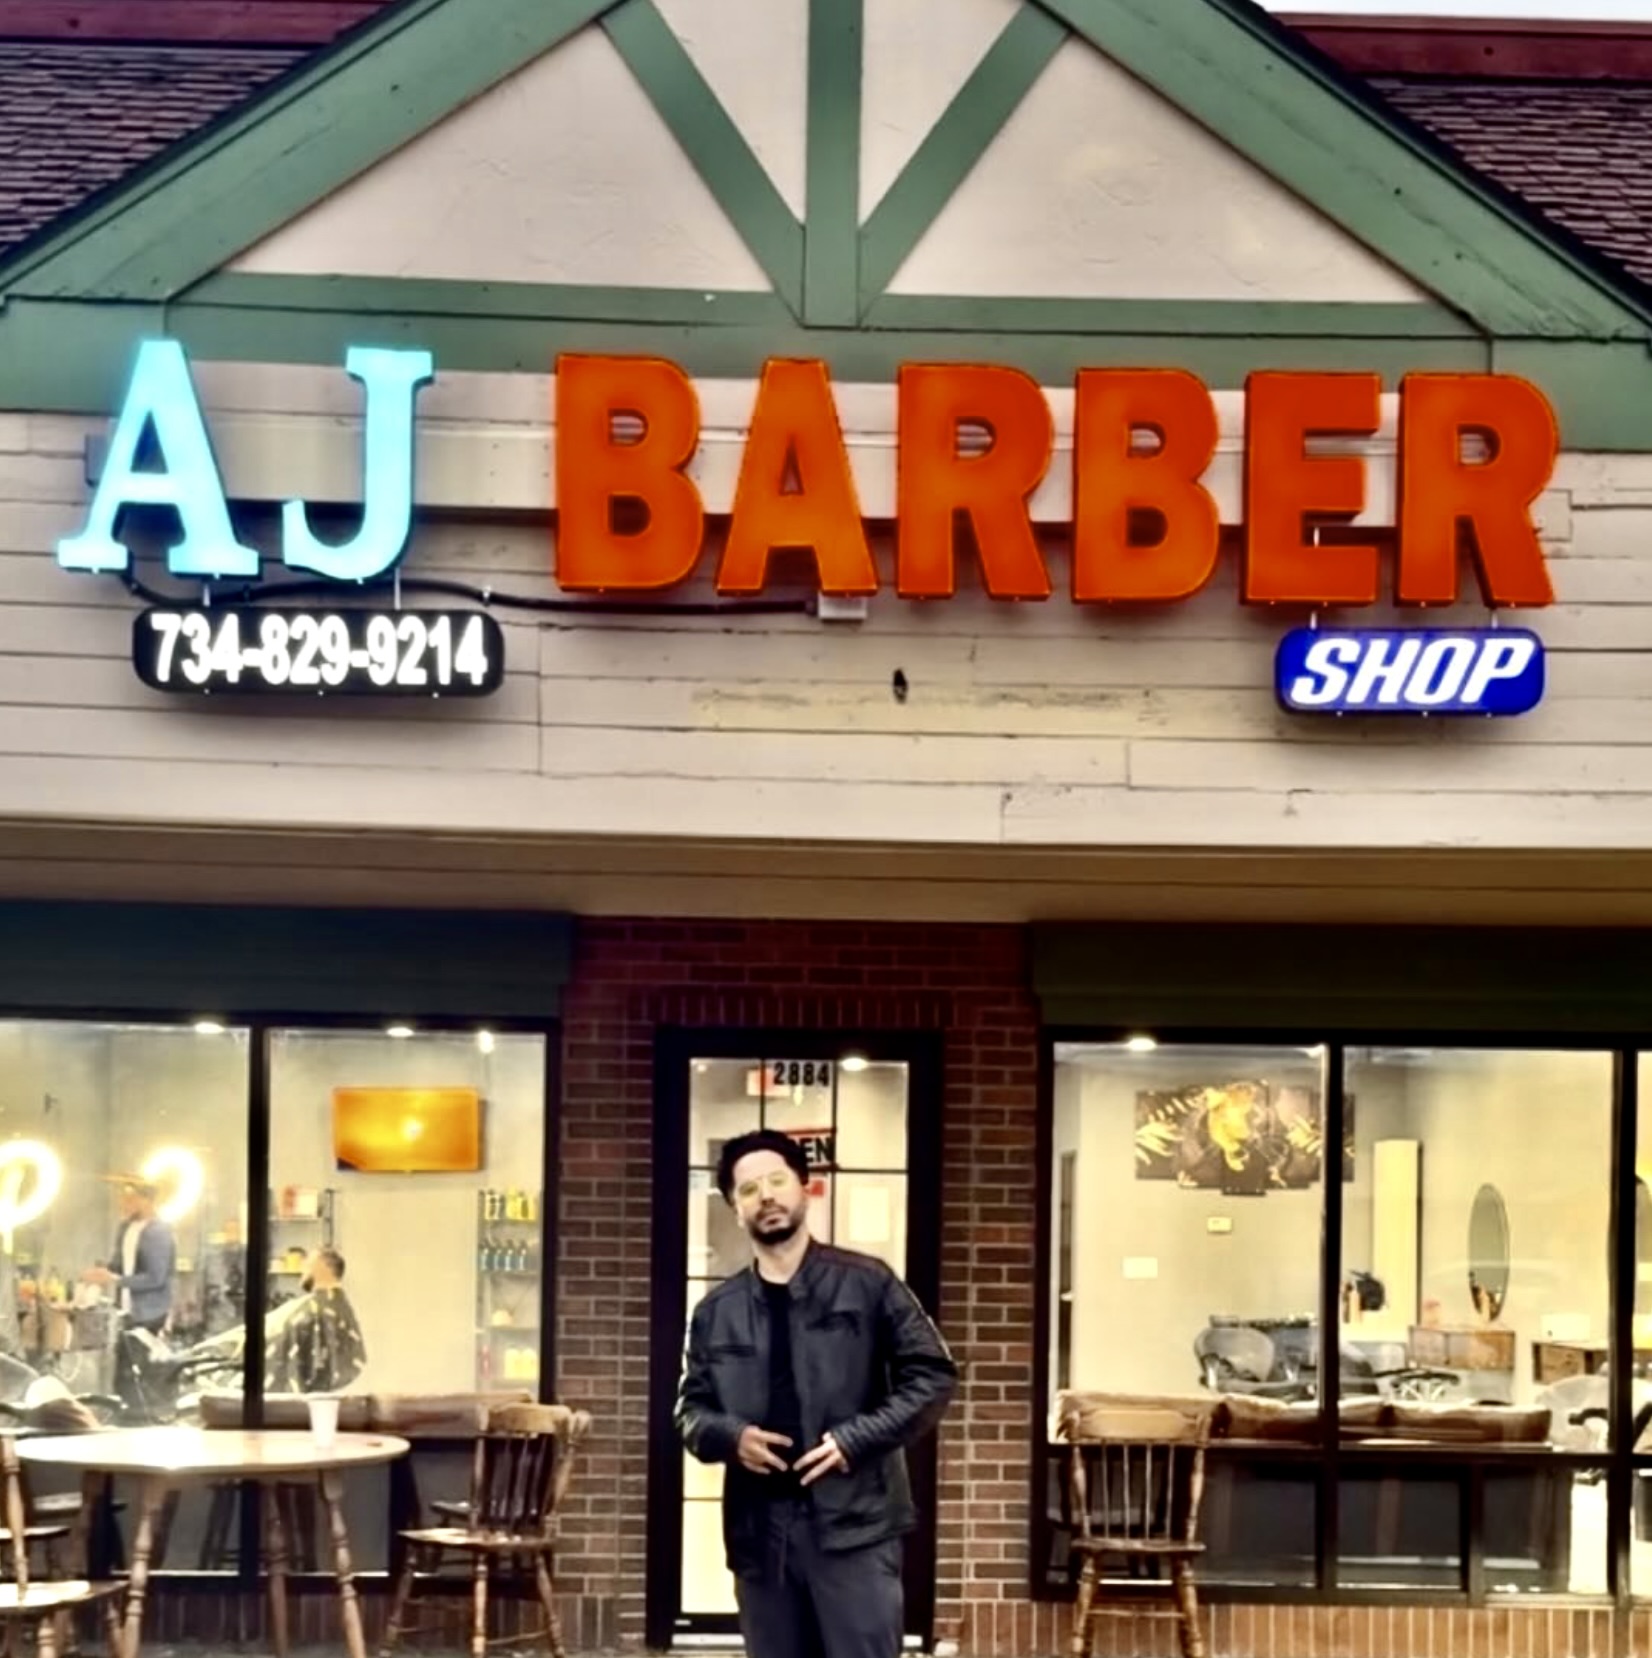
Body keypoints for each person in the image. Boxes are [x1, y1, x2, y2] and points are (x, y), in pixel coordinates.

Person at [676, 1128, 956, 1658]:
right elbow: (690, 1410)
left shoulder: (868, 1283)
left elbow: (934, 1373)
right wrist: (730, 1436)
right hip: (761, 1535)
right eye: (749, 1188)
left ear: (804, 1187)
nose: (767, 1196)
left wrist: (856, 1438)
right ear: (735, 1207)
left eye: (777, 1180)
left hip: (855, 1525)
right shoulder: (716, 1313)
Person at [82, 1179, 175, 1335]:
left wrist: (115, 1280)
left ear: (146, 1201)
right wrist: (101, 1273)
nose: (123, 1204)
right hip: (124, 1311)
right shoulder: (125, 1228)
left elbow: (156, 1278)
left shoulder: (159, 1233)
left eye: (130, 1200)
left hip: (150, 1313)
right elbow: (119, 1265)